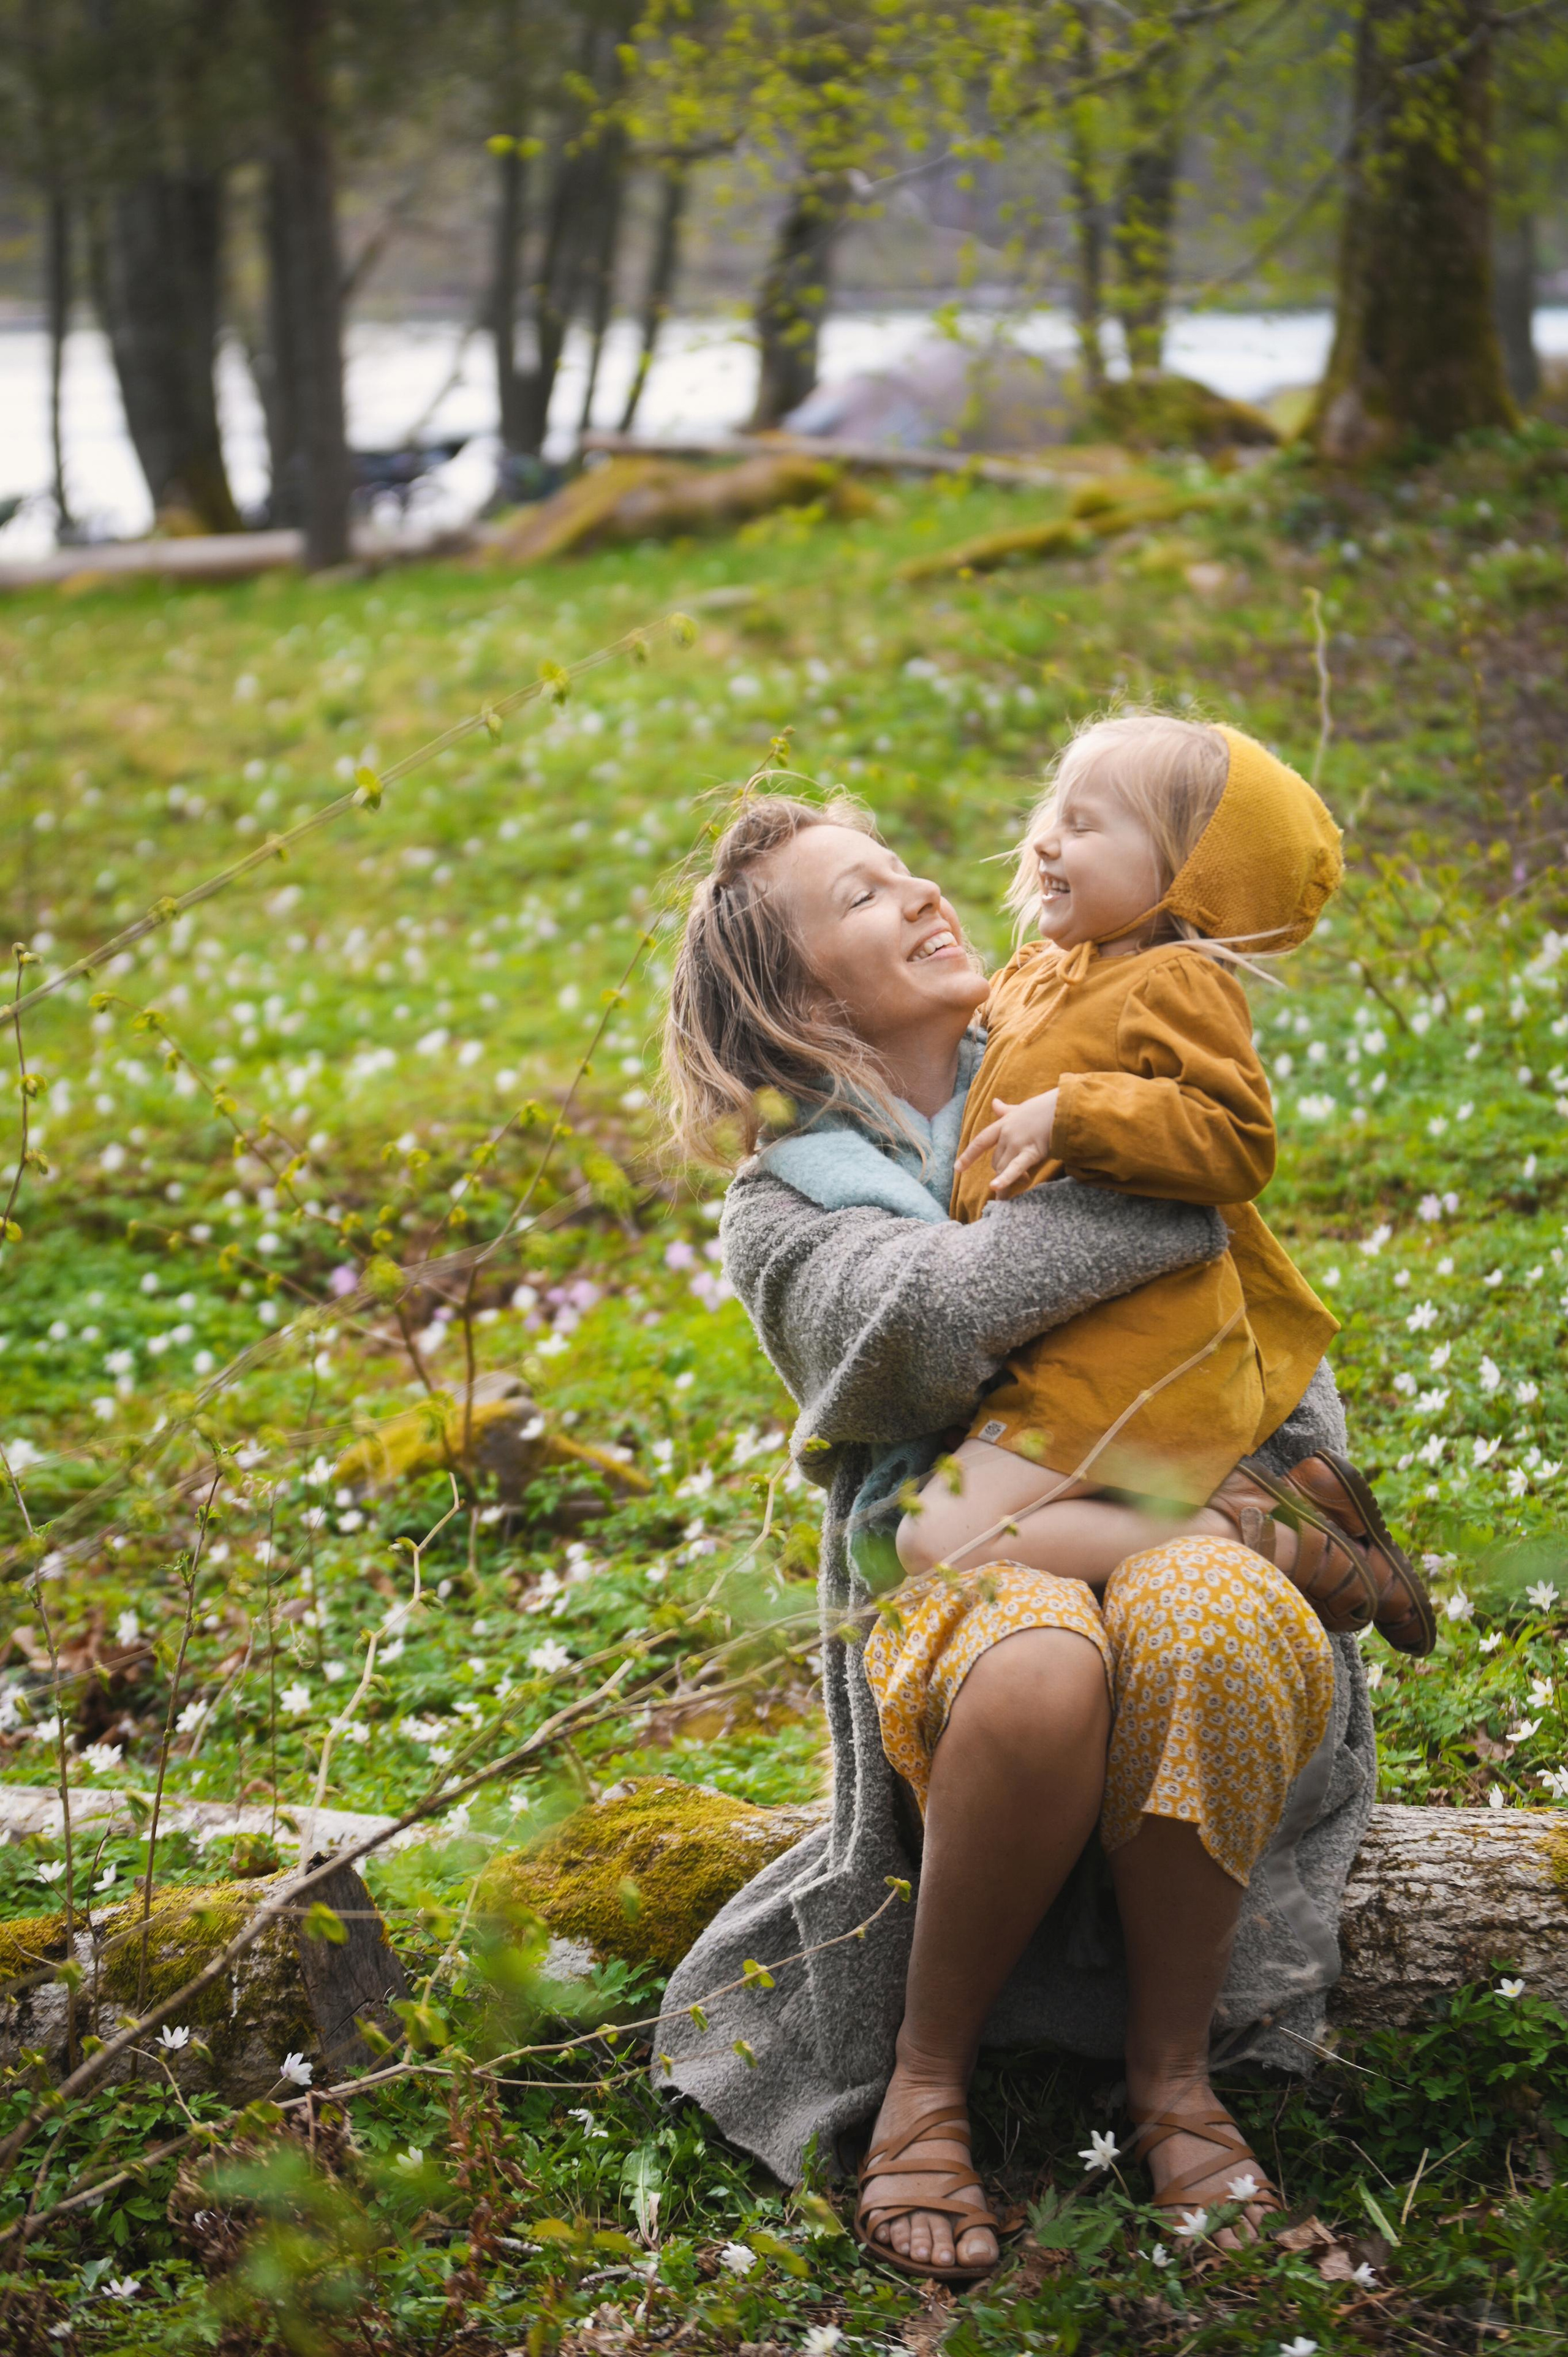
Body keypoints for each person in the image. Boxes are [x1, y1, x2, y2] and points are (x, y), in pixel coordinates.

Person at [653, 789, 1381, 2282]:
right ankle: (924, 2086)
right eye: (862, 898)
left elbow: (1255, 1311)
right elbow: (923, 1323)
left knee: (1205, 1614)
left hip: (1154, 1507)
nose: (925, 891)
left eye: (905, 869)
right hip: (962, 1577)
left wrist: (1129, 1151)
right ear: (798, 998)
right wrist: (1149, 1206)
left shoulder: (1096, 1037)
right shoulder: (787, 1204)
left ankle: (1171, 2081)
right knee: (1034, 1652)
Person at [895, 714, 1434, 1658]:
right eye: (1052, 813)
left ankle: (1264, 1536)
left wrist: (1075, 1116)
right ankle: (1258, 1501)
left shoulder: (1173, 980)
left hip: (1131, 1355)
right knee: (962, 1534)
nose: (1046, 839)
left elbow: (1235, 1140)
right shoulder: (1043, 971)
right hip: (1067, 1348)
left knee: (938, 1538)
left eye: (1087, 824)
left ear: (1184, 873)